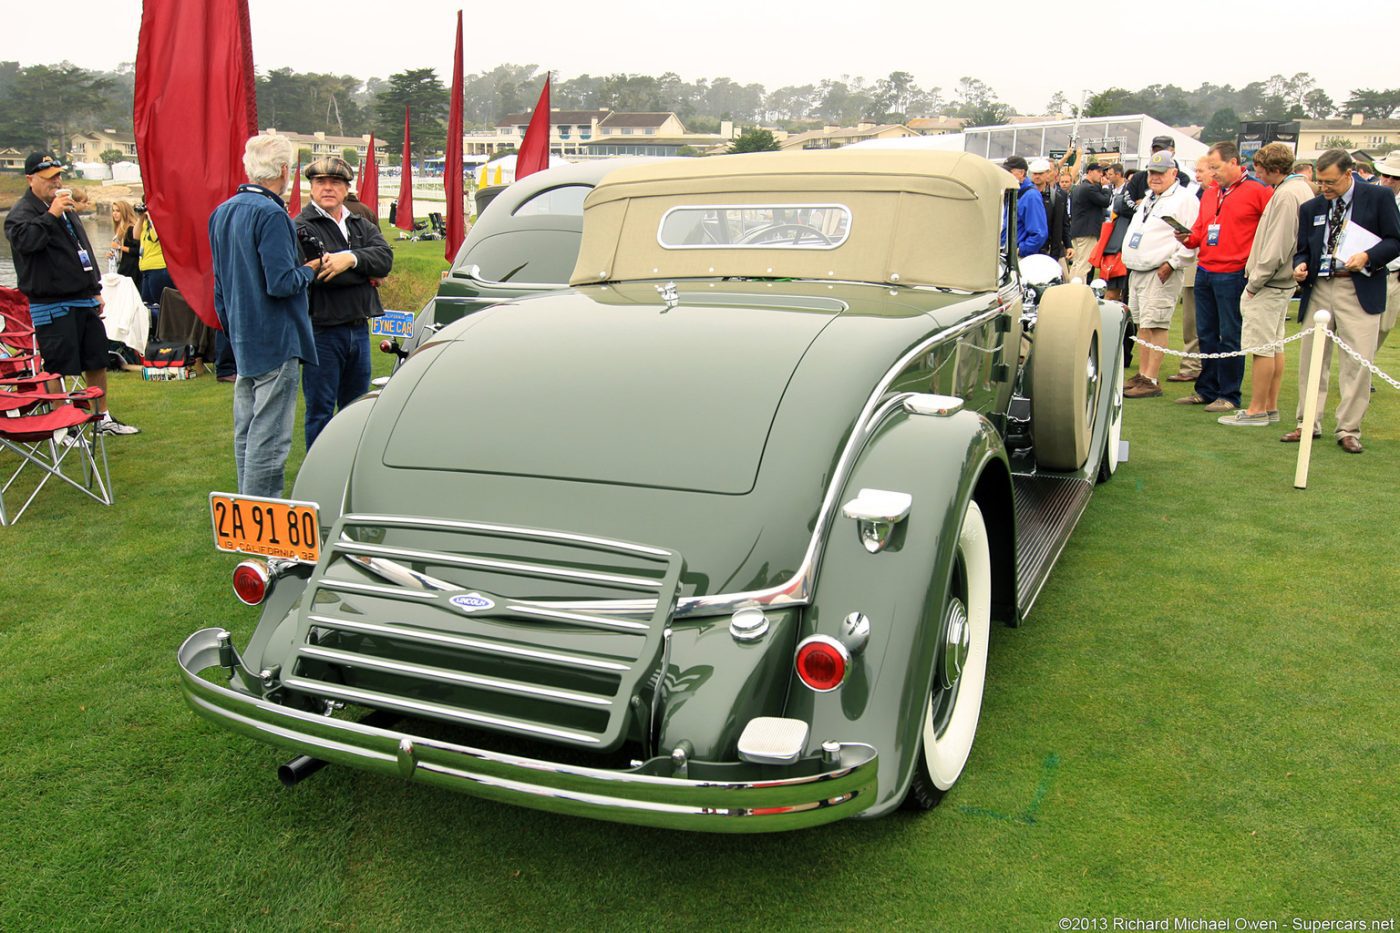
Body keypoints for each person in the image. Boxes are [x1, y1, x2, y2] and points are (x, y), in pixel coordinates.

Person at [208, 134, 321, 496]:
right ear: (285, 170)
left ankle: (247, 511)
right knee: (270, 438)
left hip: (242, 334)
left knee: (247, 431)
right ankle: (265, 524)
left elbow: (220, 286)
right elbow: (282, 282)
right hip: (276, 337)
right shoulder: (272, 214)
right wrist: (312, 269)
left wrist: (231, 329)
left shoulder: (222, 212)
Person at [3, 152, 139, 434]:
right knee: (59, 366)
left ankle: (102, 418)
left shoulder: (66, 210)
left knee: (96, 360)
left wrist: (95, 289)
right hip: (51, 303)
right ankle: (62, 424)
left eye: (58, 176)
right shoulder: (21, 214)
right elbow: (27, 244)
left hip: (83, 298)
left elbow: (83, 251)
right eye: (49, 178)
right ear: (31, 179)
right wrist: (51, 214)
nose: (57, 182)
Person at [1284, 149, 1400, 453]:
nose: (1325, 188)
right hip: (1320, 286)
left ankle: (1348, 429)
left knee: (1358, 362)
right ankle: (1306, 422)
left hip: (1358, 286)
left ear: (1349, 174)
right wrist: (1300, 264)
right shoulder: (1311, 207)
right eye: (1320, 182)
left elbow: (1395, 240)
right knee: (1311, 360)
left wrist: (1368, 256)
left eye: (1331, 182)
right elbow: (1303, 247)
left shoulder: (1379, 198)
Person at [294, 156, 394, 450]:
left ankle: (348, 468)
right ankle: (318, 472)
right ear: (311, 187)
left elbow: (385, 260)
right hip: (322, 330)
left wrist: (350, 258)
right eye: (320, 182)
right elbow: (322, 274)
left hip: (358, 329)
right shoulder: (301, 226)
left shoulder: (359, 223)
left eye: (335, 182)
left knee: (355, 409)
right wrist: (365, 272)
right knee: (320, 411)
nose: (328, 188)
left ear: (346, 188)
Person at [1217, 143, 1313, 426]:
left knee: (1261, 347)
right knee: (1274, 345)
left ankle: (1257, 409)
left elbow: (1278, 245)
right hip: (1280, 281)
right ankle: (1268, 406)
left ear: (1272, 169)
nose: (1255, 172)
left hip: (1271, 281)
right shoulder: (1297, 189)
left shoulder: (1286, 194)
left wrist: (1255, 282)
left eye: (1259, 167)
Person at [1174, 141, 1272, 413]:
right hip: (1205, 269)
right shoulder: (1209, 193)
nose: (1212, 173)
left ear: (1233, 162)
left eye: (1216, 167)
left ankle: (1229, 394)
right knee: (1206, 333)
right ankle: (1206, 389)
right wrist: (1187, 237)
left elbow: (1273, 227)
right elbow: (1200, 232)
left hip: (1233, 273)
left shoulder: (1257, 191)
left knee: (1230, 335)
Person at [1121, 152, 1199, 398]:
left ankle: (1151, 377)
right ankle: (1143, 374)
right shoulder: (1149, 198)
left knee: (1156, 323)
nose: (1154, 178)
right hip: (1140, 268)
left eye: (1160, 173)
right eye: (1152, 173)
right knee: (1144, 323)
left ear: (1173, 173)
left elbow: (1190, 237)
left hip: (1161, 269)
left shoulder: (1184, 199)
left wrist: (1173, 263)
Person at [1168, 156, 1213, 383]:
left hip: (1203, 263)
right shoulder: (1203, 196)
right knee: (1191, 320)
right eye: (1196, 170)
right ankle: (1192, 364)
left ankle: (1193, 365)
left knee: (1197, 320)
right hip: (1197, 260)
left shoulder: (1196, 198)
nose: (1197, 175)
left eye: (1202, 170)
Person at [1372, 153, 1400, 351]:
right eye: (1385, 175)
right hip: (1364, 267)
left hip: (1393, 273)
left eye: (1395, 177)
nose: (1388, 180)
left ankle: (1366, 370)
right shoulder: (1368, 194)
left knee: (1384, 325)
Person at [1069, 162, 1110, 282]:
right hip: (1087, 232)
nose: (1101, 174)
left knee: (1077, 263)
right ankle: (1078, 292)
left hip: (1078, 230)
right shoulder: (1088, 188)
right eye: (1098, 171)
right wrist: (1106, 188)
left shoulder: (1079, 187)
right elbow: (1105, 201)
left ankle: (1071, 289)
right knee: (1084, 264)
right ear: (1090, 172)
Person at [1031, 157, 1071, 272]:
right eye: (1035, 173)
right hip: (1029, 249)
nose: (1037, 176)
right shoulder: (1026, 195)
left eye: (1040, 173)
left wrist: (1055, 255)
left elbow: (1059, 225)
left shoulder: (1056, 197)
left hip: (1048, 248)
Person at [1003, 156, 1048, 258]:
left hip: (1018, 257)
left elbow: (1039, 233)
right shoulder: (1013, 192)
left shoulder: (1030, 196)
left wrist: (1020, 250)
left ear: (1022, 173)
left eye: (1009, 172)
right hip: (1007, 253)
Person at [136, 207, 173, 307]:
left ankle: (161, 323)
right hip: (146, 268)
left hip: (159, 268)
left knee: (158, 305)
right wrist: (140, 218)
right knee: (146, 305)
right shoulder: (145, 221)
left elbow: (155, 237)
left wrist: (152, 218)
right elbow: (135, 235)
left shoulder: (160, 220)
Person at [108, 199, 142, 289]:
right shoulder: (119, 229)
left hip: (131, 271)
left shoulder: (131, 229)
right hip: (121, 268)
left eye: (118, 211)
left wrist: (119, 247)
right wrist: (111, 254)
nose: (114, 213)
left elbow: (137, 251)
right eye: (113, 210)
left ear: (124, 212)